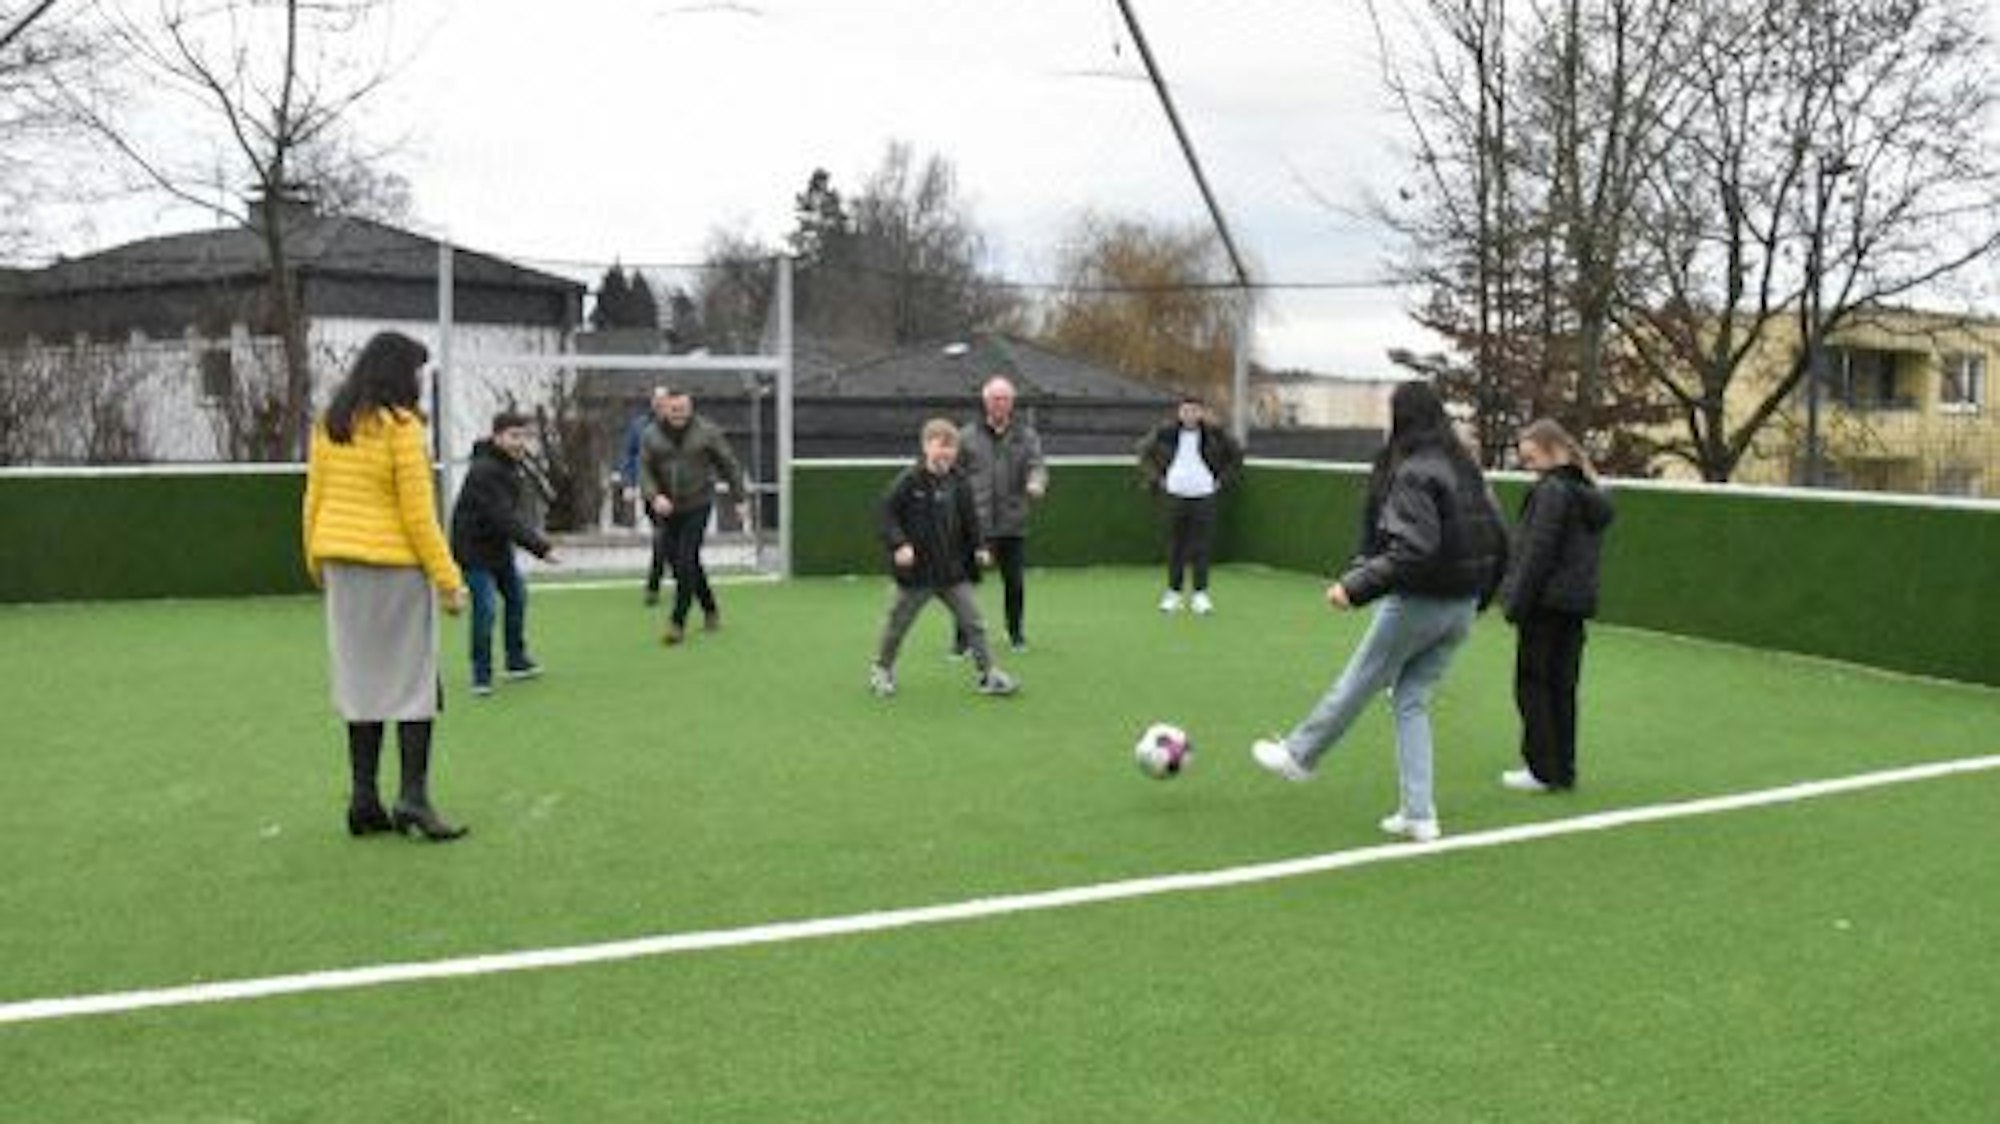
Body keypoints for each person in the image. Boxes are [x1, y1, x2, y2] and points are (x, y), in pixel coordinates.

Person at [1250, 380, 1508, 845]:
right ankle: (1419, 815)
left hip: (1422, 602)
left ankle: (1299, 756)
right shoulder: (1466, 467)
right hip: (1462, 607)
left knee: (1360, 679)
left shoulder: (1413, 472)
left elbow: (1415, 549)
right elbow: (1499, 537)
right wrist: (1481, 599)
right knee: (1411, 700)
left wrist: (1354, 587)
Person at [301, 330, 470, 842]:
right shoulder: (403, 429)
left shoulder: (329, 425)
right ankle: (413, 799)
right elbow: (419, 516)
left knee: (361, 683)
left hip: (341, 564)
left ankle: (363, 800)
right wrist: (449, 580)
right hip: (394, 568)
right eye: (416, 371)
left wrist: (317, 563)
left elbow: (313, 499)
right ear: (401, 374)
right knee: (414, 683)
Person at [1496, 418, 1615, 793]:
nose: (1528, 467)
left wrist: (1516, 602)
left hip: (1545, 604)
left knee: (1533, 685)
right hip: (1573, 606)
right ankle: (1563, 768)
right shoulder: (1588, 492)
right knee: (1562, 687)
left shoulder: (1552, 492)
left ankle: (1541, 769)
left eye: (1531, 458)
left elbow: (1537, 551)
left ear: (1553, 451)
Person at [870, 419, 1019, 698]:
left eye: (951, 448)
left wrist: (980, 547)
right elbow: (886, 514)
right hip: (917, 574)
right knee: (897, 624)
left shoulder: (959, 481)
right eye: (941, 447)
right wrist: (900, 544)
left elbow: (970, 519)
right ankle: (881, 671)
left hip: (952, 572)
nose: (946, 454)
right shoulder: (909, 481)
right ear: (926, 446)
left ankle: (989, 675)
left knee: (974, 623)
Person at [450, 411, 561, 696]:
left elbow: (514, 513)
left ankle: (516, 660)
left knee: (516, 597)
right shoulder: (484, 471)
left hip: (498, 548)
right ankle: (481, 673)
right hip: (473, 551)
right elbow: (503, 517)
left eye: (524, 436)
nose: (520, 442)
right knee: (485, 609)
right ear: (497, 437)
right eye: (514, 436)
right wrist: (540, 547)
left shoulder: (512, 465)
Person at [638, 387, 748, 645]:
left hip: (698, 503)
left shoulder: (707, 432)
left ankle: (677, 622)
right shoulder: (651, 435)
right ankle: (710, 608)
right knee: (681, 564)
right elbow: (644, 470)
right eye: (674, 409)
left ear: (691, 409)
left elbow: (728, 463)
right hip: (667, 508)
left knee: (687, 558)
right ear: (665, 409)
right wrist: (654, 496)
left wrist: (740, 498)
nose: (679, 414)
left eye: (684, 409)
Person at [956, 375, 1047, 652]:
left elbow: (1037, 466)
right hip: (975, 525)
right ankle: (963, 640)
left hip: (1012, 523)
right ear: (985, 402)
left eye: (1005, 399)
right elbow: (954, 473)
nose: (1000, 403)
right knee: (965, 586)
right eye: (995, 398)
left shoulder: (1026, 436)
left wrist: (1036, 483)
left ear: (1012, 403)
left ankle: (1015, 634)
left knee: (1015, 584)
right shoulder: (966, 436)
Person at [1135, 392, 1244, 614]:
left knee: (1201, 547)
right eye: (1185, 410)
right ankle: (1173, 593)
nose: (1190, 415)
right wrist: (1158, 479)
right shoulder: (1164, 433)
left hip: (1204, 496)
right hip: (1174, 496)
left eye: (1194, 410)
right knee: (1176, 546)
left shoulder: (1215, 434)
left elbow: (1236, 456)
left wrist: (1221, 481)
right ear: (1179, 412)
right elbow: (1143, 452)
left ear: (1201, 413)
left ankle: (1200, 595)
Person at [627, 386, 670, 599]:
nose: (660, 404)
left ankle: (654, 585)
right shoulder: (639, 426)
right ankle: (658, 583)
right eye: (657, 400)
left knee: (665, 536)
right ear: (652, 402)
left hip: (676, 490)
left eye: (664, 400)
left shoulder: (678, 426)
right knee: (663, 535)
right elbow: (630, 455)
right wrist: (629, 483)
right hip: (651, 490)